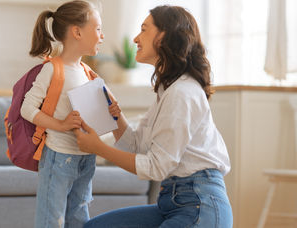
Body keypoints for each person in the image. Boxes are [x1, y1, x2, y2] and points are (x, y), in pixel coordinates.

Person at [74, 5, 233, 228]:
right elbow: (136, 145)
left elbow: (156, 167)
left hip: (199, 205)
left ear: (165, 35)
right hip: (173, 203)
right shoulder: (167, 91)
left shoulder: (182, 93)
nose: (136, 38)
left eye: (144, 30)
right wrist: (115, 116)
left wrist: (98, 147)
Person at [19, 1, 104, 228]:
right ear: (77, 32)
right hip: (59, 157)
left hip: (86, 158)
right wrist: (61, 124)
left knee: (79, 218)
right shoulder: (52, 69)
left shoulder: (87, 72)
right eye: (97, 29)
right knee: (51, 219)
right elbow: (27, 109)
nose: (102, 35)